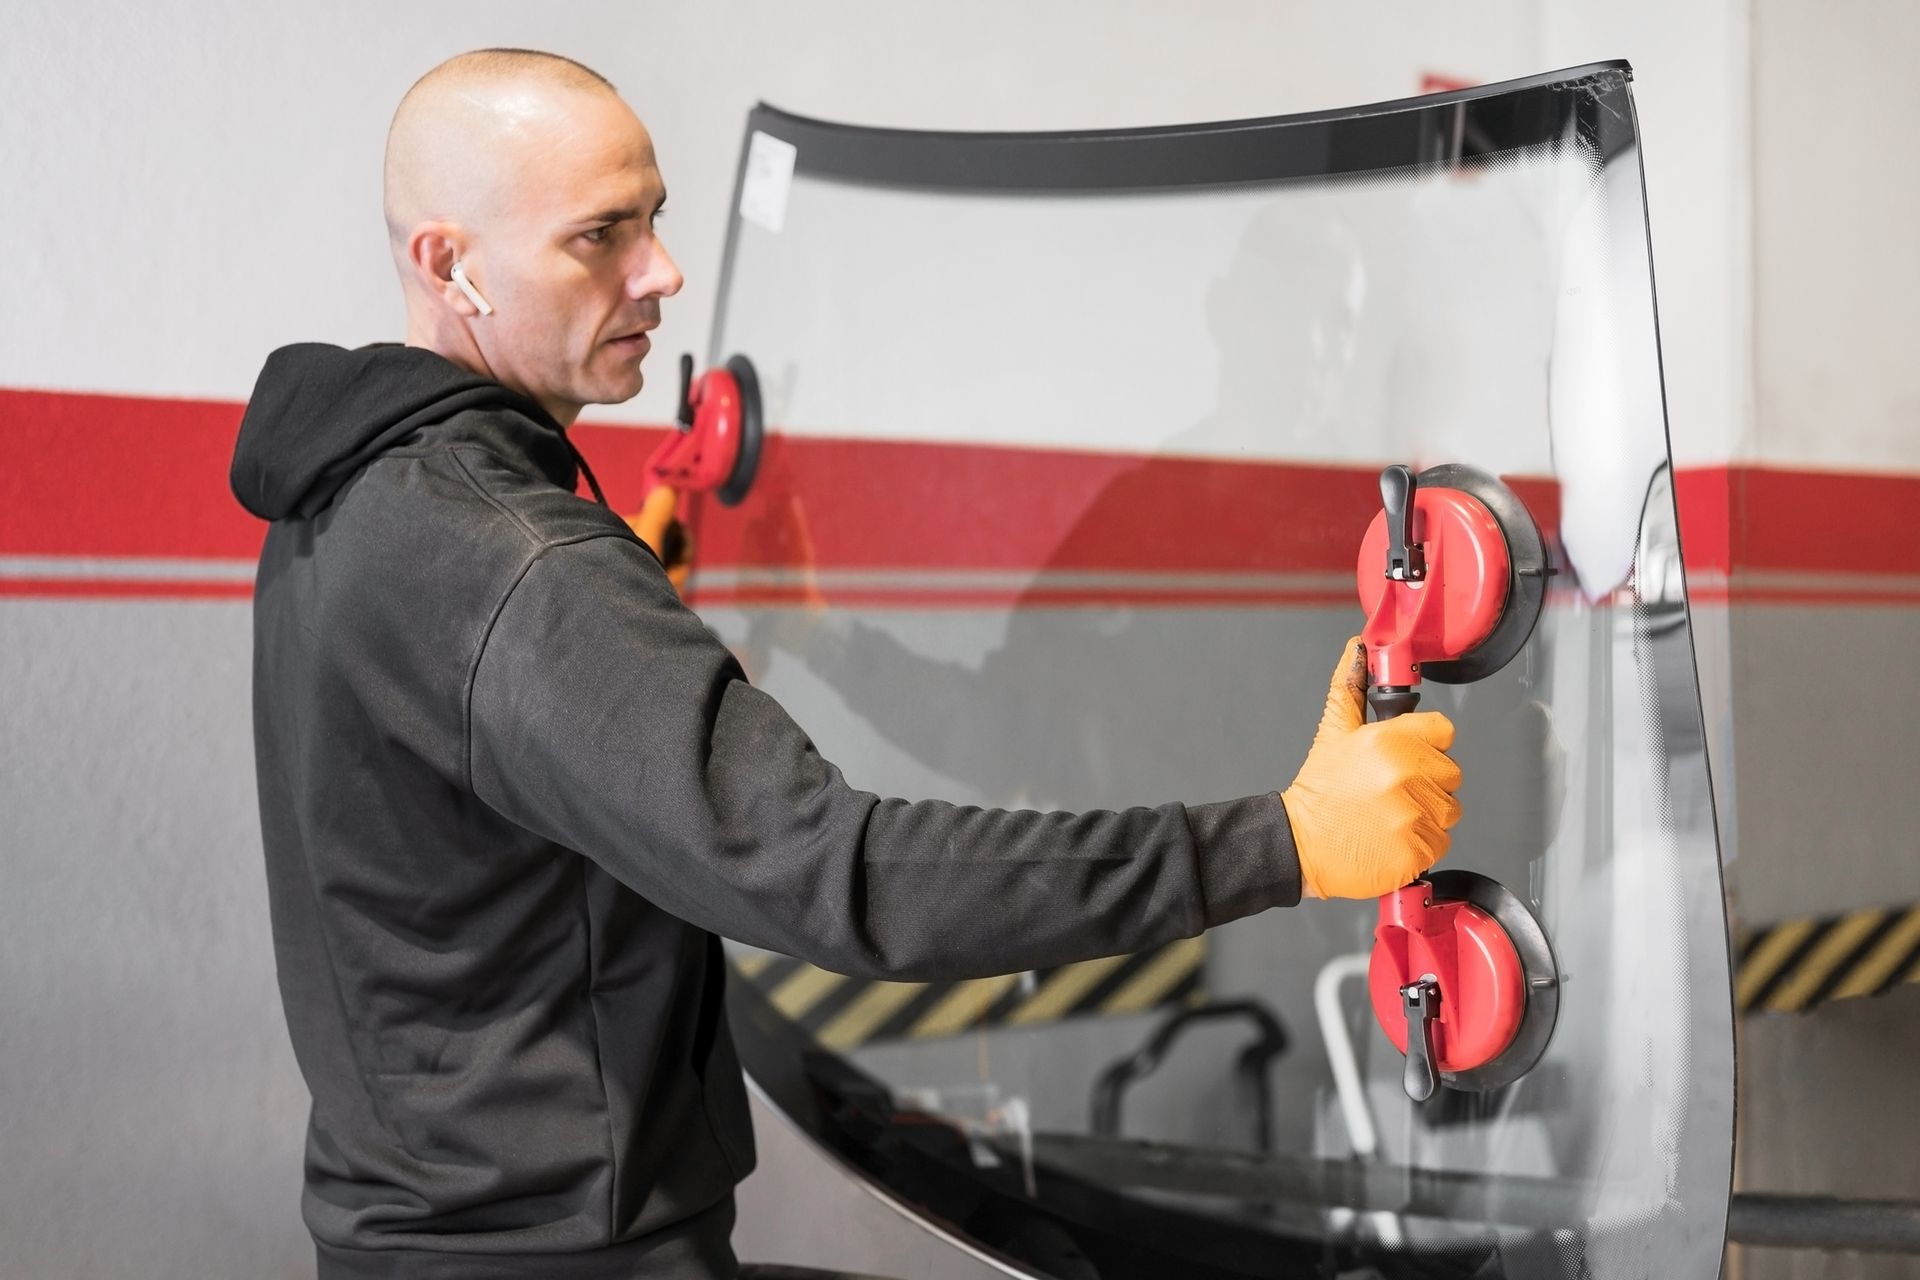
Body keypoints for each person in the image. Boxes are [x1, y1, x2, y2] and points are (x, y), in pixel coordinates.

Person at [228, 48, 1462, 1280]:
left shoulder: (353, 500)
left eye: (653, 219)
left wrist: (794, 633)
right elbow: (841, 869)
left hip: (425, 1232)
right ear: (450, 263)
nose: (659, 271)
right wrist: (1290, 840)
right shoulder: (523, 564)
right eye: (599, 236)